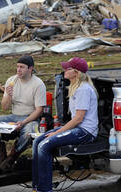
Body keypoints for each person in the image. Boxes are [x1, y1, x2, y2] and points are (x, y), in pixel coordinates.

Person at [32, 57, 99, 192]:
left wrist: (57, 132)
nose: (64, 70)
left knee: (44, 145)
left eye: (67, 68)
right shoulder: (76, 87)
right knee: (37, 141)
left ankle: (44, 189)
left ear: (76, 73)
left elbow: (79, 119)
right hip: (77, 128)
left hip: (85, 132)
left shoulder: (83, 89)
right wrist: (59, 130)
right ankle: (37, 186)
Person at [0, 55, 47, 170]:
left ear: (30, 68)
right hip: (14, 116)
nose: (18, 70)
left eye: (22, 67)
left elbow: (39, 110)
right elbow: (4, 107)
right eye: (17, 67)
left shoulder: (38, 84)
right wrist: (9, 96)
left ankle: (12, 158)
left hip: (30, 118)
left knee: (29, 132)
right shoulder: (11, 81)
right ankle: (1, 157)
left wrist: (23, 122)